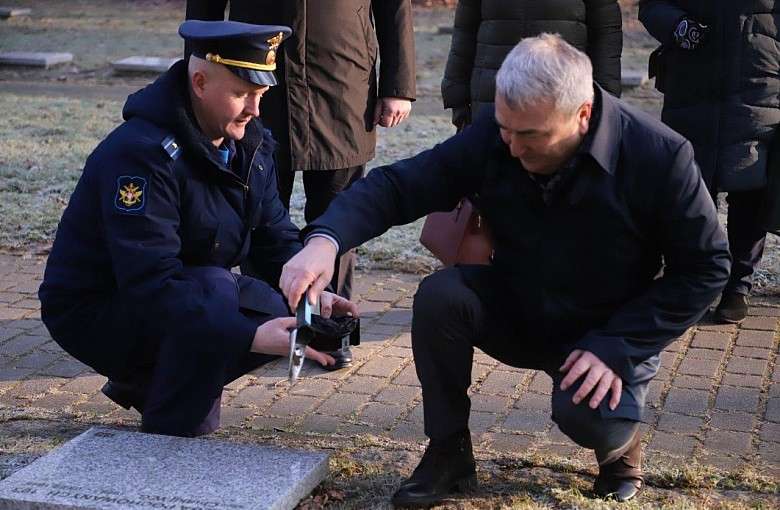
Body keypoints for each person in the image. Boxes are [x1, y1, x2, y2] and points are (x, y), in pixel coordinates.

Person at [279, 34, 730, 505]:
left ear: (582, 114)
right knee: (440, 296)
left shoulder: (660, 156)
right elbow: (399, 186)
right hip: (519, 305)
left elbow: (705, 268)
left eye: (531, 136)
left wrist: (621, 345)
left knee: (590, 420)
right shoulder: (500, 136)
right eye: (505, 129)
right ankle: (449, 451)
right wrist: (325, 241)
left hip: (606, 330)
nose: (512, 148)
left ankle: (619, 454)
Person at [38, 20, 356, 438]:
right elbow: (150, 282)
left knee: (282, 308)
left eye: (260, 94)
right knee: (220, 298)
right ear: (200, 82)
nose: (255, 109)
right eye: (242, 93)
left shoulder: (249, 142)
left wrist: (312, 293)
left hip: (188, 288)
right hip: (98, 309)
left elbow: (273, 235)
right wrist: (247, 336)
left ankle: (154, 381)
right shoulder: (142, 156)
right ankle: (173, 429)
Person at [185, 0, 417, 301]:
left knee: (339, 217)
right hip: (257, 82)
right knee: (257, 217)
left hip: (342, 83)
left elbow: (395, 7)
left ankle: (332, 329)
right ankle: (266, 318)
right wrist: (195, 85)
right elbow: (203, 12)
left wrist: (397, 86)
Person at [639, 1, 780, 323]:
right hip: (692, 81)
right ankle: (693, 280)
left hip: (759, 79)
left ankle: (738, 285)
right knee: (691, 190)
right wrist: (676, 26)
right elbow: (651, 5)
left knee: (751, 187)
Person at [441, 0, 622, 130]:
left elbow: (606, 35)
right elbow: (465, 32)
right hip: (493, 97)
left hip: (561, 100)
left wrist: (605, 101)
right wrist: (457, 96)